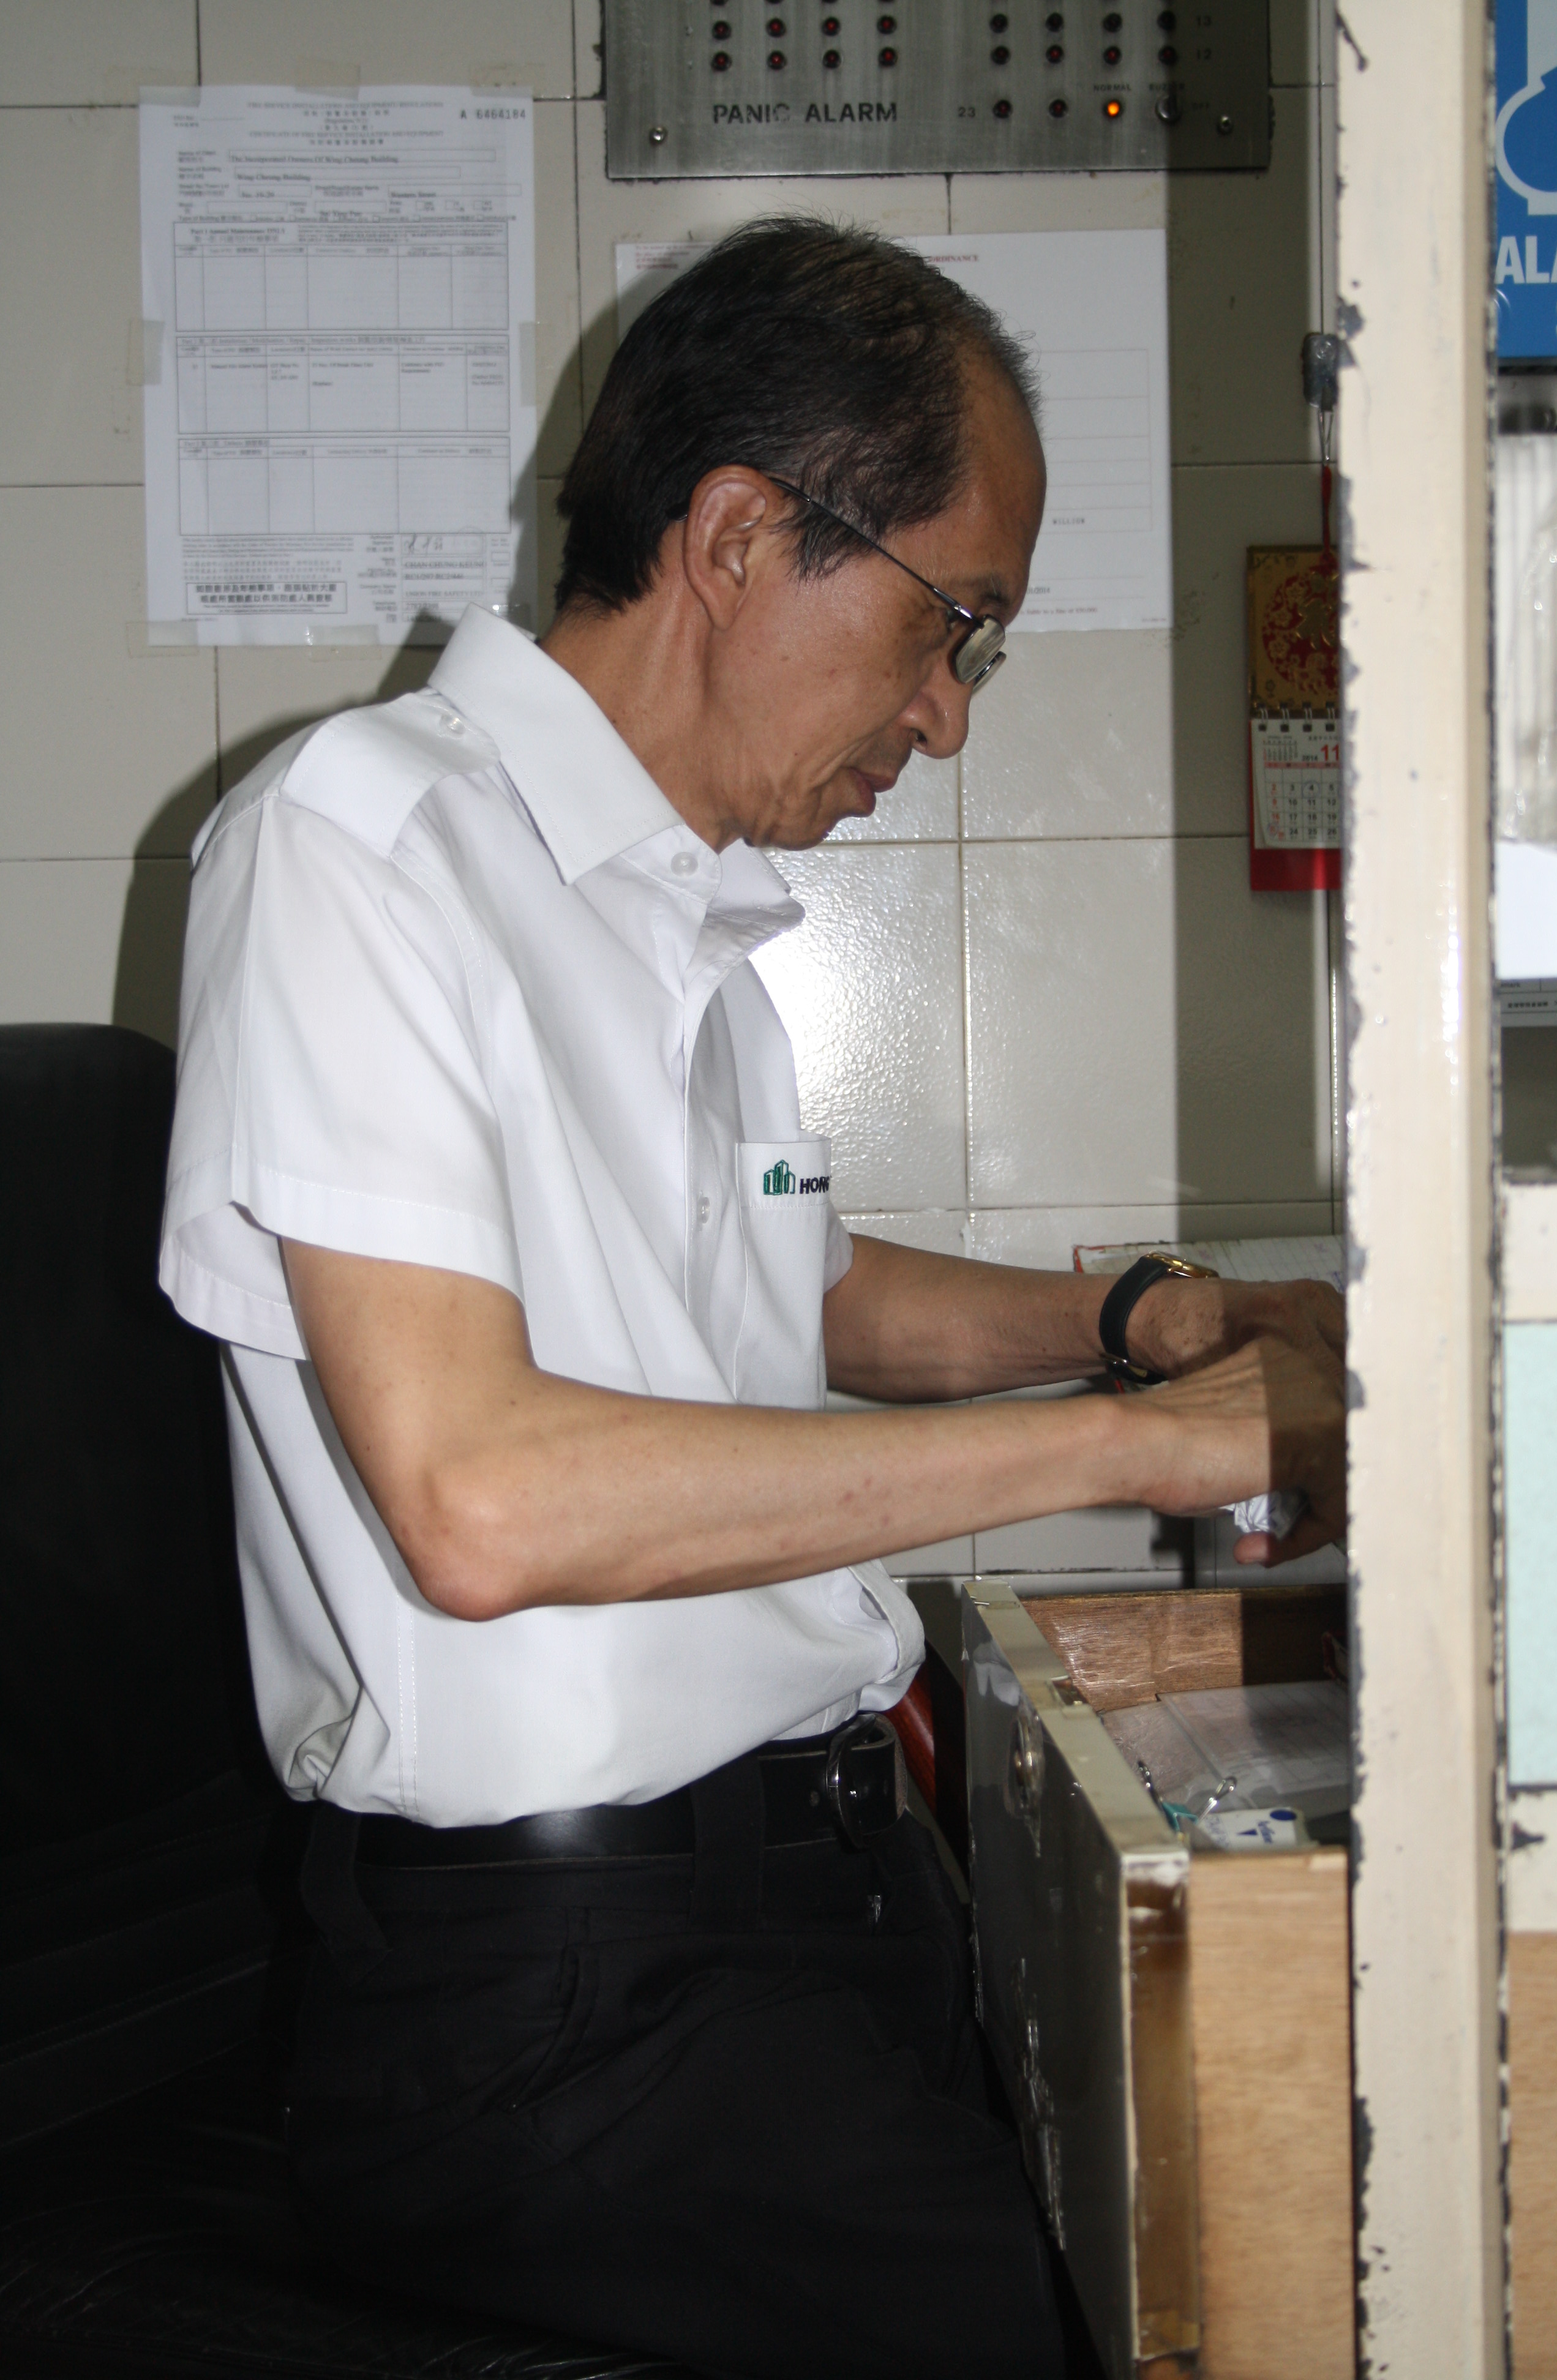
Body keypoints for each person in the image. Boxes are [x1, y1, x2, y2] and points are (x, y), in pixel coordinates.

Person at [160, 220, 1345, 2379]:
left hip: (800, 1901)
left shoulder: (685, 926)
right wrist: (1131, 1450)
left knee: (1233, 2217)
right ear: (735, 536)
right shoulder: (364, 843)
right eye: (948, 624)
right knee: (1161, 2328)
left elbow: (801, 1300)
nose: (946, 716)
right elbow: (481, 1500)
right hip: (559, 1996)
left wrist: (1148, 1322)